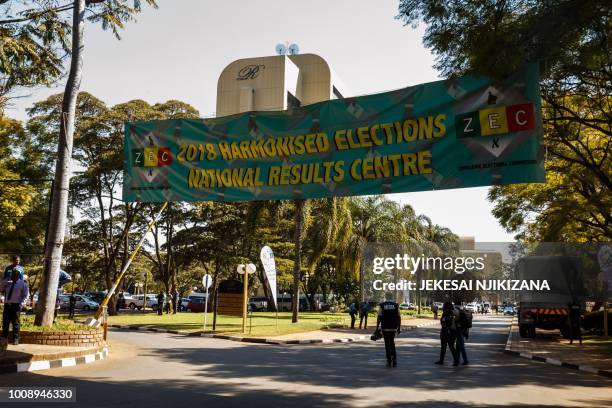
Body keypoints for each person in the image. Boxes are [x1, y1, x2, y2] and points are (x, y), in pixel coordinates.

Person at [0, 269, 29, 345]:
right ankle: (4, 338)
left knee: (15, 323)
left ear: (18, 275)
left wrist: (21, 304)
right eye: (12, 274)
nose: (12, 276)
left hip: (16, 305)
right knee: (5, 322)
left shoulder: (23, 284)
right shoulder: (8, 283)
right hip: (7, 305)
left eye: (14, 274)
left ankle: (16, 339)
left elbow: (26, 295)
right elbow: (1, 287)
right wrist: (6, 279)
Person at [376, 292, 401, 367]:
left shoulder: (382, 305)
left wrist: (377, 327)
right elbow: (399, 317)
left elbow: (379, 317)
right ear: (392, 296)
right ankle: (395, 360)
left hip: (385, 327)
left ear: (386, 297)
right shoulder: (396, 305)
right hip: (393, 327)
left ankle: (389, 361)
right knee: (392, 343)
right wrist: (399, 327)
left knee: (387, 344)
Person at [435, 301, 459, 366]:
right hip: (453, 332)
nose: (443, 307)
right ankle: (456, 361)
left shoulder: (446, 312)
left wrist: (443, 325)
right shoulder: (454, 312)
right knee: (451, 347)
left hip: (446, 331)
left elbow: (443, 321)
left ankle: (441, 360)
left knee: (443, 347)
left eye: (444, 306)